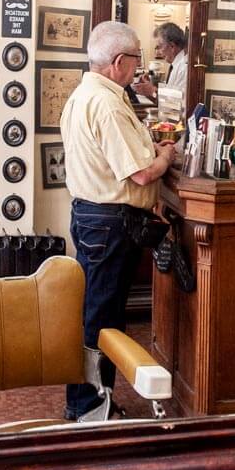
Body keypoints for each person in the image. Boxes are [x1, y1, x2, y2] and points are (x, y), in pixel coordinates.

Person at [60, 21, 177, 421]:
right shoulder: (108, 103)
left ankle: (91, 400)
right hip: (109, 223)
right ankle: (89, 405)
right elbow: (141, 174)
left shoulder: (85, 93)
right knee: (101, 316)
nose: (139, 67)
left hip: (94, 218)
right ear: (119, 61)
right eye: (137, 59)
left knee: (96, 311)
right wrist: (166, 156)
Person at [132, 22, 188, 102]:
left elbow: (175, 103)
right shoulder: (176, 65)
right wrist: (150, 87)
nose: (158, 52)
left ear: (172, 46)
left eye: (159, 47)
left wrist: (152, 91)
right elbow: (169, 96)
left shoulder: (184, 68)